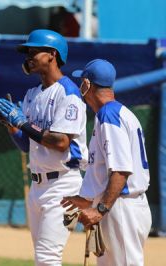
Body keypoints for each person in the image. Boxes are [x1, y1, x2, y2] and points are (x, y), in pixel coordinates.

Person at [0, 29, 87, 265]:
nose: (29, 56)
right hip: (38, 187)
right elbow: (26, 144)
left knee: (47, 257)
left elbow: (61, 142)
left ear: (52, 54)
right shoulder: (32, 94)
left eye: (34, 51)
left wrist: (22, 122)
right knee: (42, 257)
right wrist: (10, 125)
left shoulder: (69, 93)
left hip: (63, 185)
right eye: (28, 52)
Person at [61, 59, 152, 266]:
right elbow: (104, 170)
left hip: (121, 208)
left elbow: (121, 170)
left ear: (87, 84)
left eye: (81, 82)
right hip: (118, 205)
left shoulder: (109, 114)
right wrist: (85, 200)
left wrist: (99, 210)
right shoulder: (115, 113)